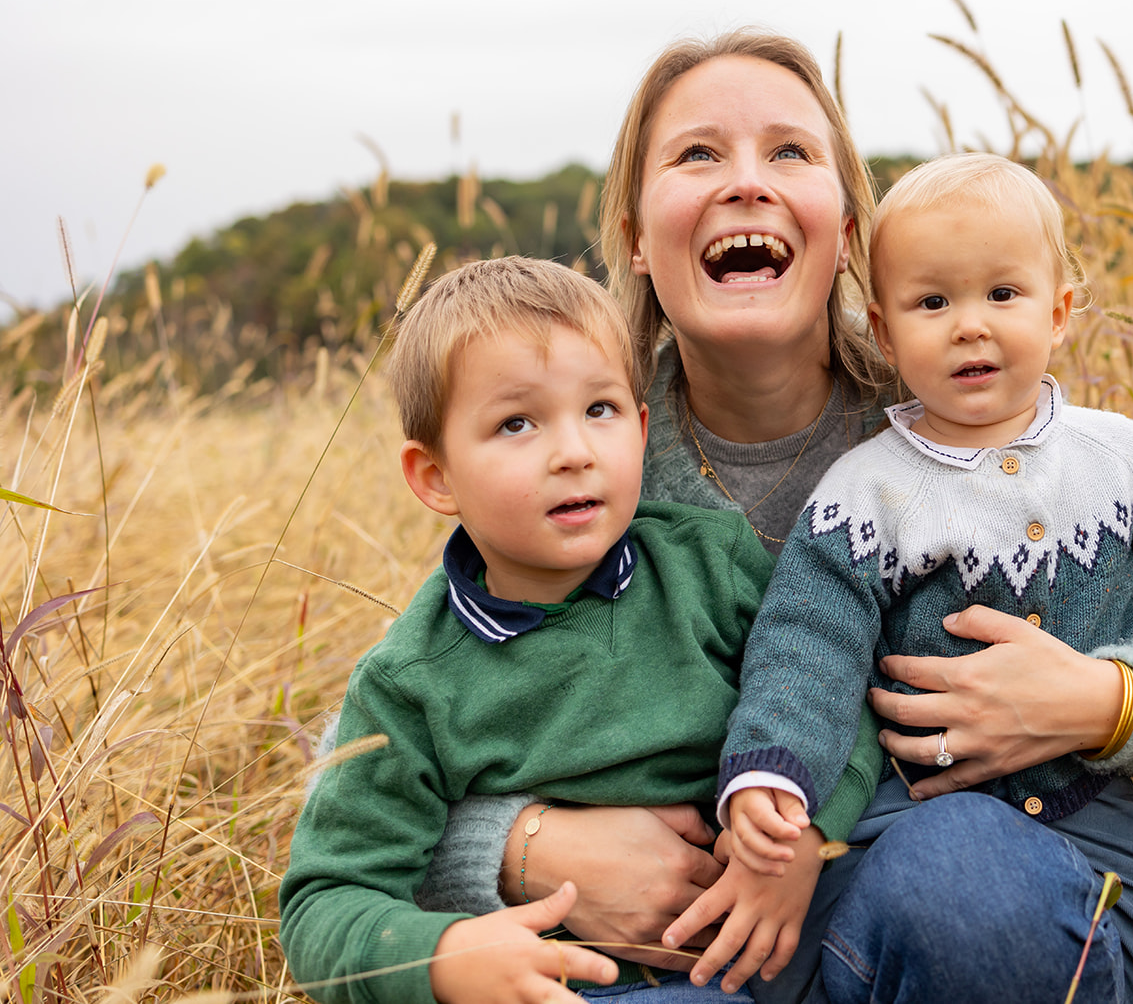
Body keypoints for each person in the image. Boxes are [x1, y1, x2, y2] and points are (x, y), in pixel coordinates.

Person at [412, 31, 1133, 1004]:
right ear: (633, 233)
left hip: (998, 918)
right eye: (698, 153)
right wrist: (525, 845)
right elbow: (378, 763)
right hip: (703, 954)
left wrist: (1104, 697)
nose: (746, 182)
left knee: (961, 877)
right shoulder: (578, 460)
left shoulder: (968, 417)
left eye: (789, 151)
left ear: (845, 232)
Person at [701, 154, 1133, 1000]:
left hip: (1088, 796)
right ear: (885, 332)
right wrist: (773, 773)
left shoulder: (1121, 458)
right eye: (933, 302)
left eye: (1002, 295)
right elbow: (806, 645)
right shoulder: (867, 492)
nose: (971, 326)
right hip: (915, 808)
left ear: (1061, 309)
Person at [277, 257, 883, 1004]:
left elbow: (832, 692)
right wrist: (446, 953)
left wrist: (810, 833)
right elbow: (324, 900)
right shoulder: (412, 683)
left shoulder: (710, 563)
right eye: (516, 423)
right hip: (599, 985)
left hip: (780, 926)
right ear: (434, 476)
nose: (573, 451)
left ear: (640, 427)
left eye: (599, 409)